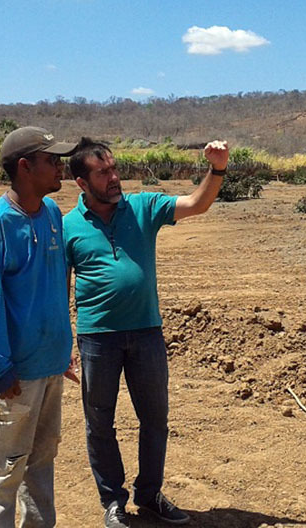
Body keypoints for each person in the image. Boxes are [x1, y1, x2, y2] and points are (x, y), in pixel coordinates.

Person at [64, 137, 230, 528]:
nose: (114, 177)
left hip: (146, 333)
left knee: (155, 418)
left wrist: (217, 168)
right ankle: (113, 500)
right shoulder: (67, 226)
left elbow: (197, 203)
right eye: (103, 172)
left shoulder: (142, 206)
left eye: (115, 168)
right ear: (82, 183)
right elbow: (60, 288)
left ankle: (150, 494)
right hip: (96, 338)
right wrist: (59, 343)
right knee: (100, 422)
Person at [0, 126, 79, 528]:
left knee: (42, 459)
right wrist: (0, 368)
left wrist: (61, 347)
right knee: (5, 469)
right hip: (15, 375)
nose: (60, 168)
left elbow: (54, 283)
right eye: (52, 160)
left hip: (49, 367)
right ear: (24, 167)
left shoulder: (51, 214)